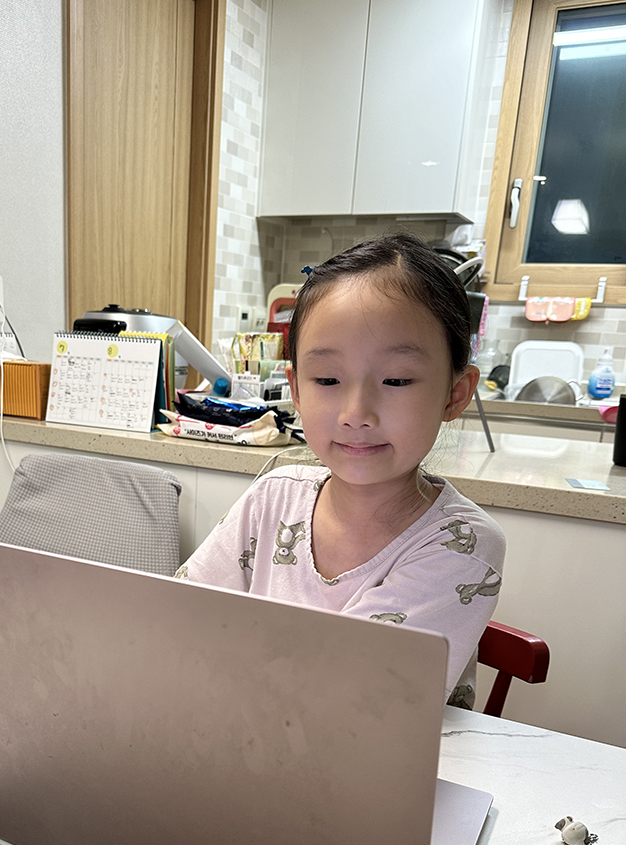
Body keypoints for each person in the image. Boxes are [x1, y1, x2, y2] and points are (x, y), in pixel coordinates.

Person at [175, 233, 506, 709]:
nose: (356, 413)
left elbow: (353, 700)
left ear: (455, 394)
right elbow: (183, 620)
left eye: (396, 380)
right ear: (296, 389)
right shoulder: (273, 496)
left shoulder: (462, 543)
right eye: (327, 379)